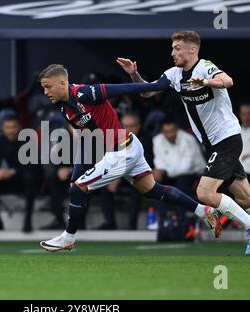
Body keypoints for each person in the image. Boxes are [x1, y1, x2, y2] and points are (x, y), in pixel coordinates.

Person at [117, 30, 250, 262]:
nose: (172, 53)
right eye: (172, 48)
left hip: (226, 138)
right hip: (212, 144)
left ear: (192, 49)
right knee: (245, 198)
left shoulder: (205, 67)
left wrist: (206, 82)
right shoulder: (174, 74)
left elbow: (228, 81)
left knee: (205, 192)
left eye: (177, 48)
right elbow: (147, 91)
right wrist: (134, 74)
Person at [37, 64, 221, 252]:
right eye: (43, 87)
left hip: (122, 151)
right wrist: (76, 173)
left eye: (48, 86)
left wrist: (161, 84)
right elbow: (86, 137)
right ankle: (203, 211)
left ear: (62, 83)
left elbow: (126, 89)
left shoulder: (85, 93)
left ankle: (68, 238)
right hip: (127, 148)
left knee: (78, 190)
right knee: (151, 190)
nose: (45, 92)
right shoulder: (62, 107)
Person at [0, 115, 42, 233]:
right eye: (7, 127)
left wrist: (12, 171)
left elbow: (34, 166)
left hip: (26, 178)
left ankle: (27, 221)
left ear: (19, 127)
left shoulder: (28, 139)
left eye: (13, 127)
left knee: (30, 177)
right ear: (3, 129)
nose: (11, 130)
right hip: (10, 179)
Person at [93, 112, 153, 230]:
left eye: (132, 125)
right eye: (125, 126)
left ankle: (132, 223)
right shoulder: (113, 137)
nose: (129, 129)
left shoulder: (145, 138)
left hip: (138, 173)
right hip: (118, 174)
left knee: (137, 186)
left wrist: (118, 176)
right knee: (104, 184)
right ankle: (109, 222)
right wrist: (114, 177)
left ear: (139, 126)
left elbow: (145, 161)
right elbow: (108, 159)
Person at [152, 116, 205, 237]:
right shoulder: (157, 140)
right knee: (156, 185)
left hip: (194, 175)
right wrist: (162, 173)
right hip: (170, 175)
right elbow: (159, 163)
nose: (170, 134)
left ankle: (182, 222)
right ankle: (163, 222)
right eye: (166, 132)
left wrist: (165, 172)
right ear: (162, 131)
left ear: (177, 129)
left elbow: (186, 167)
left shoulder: (188, 140)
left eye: (172, 131)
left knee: (181, 182)